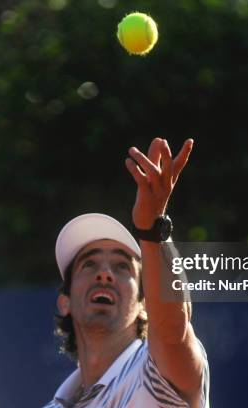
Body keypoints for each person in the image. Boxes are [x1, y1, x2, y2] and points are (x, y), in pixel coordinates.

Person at [44, 138, 209, 407]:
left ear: (146, 306)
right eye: (89, 264)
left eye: (123, 266)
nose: (105, 274)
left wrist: (153, 228)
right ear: (65, 302)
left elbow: (173, 331)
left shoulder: (154, 372)